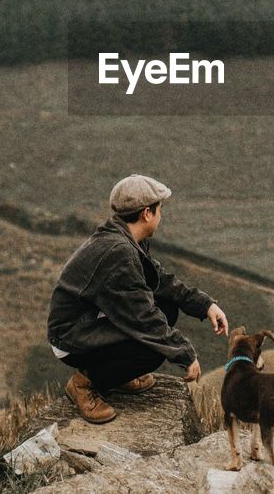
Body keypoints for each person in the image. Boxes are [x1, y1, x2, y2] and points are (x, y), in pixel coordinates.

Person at [47, 173, 229, 423]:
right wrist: (184, 353)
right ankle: (84, 384)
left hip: (90, 321)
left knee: (167, 308)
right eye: (160, 209)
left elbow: (159, 280)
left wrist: (205, 305)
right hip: (71, 337)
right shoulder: (119, 253)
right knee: (152, 350)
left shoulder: (126, 238)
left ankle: (116, 376)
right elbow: (143, 318)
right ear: (146, 213)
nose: (161, 215)